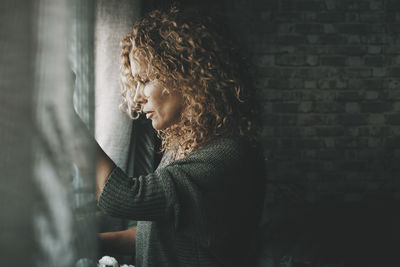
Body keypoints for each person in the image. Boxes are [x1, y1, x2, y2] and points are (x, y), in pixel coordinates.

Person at [94, 6, 265, 267]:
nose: (138, 97)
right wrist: (96, 242)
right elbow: (161, 232)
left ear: (186, 78)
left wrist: (68, 123)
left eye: (146, 79)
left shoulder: (226, 156)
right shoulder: (186, 144)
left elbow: (123, 199)